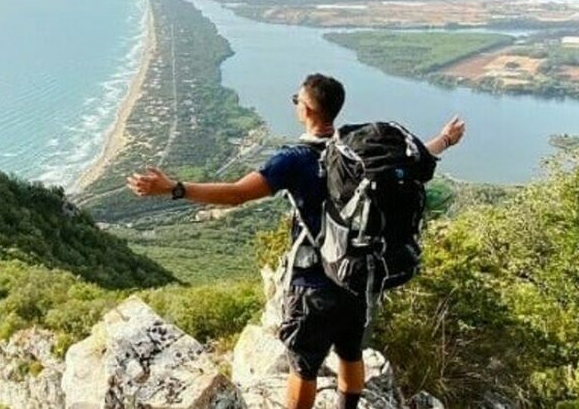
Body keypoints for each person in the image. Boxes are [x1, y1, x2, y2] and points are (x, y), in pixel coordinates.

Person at [127, 73, 466, 409]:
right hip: (358, 275)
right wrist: (445, 139)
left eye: (296, 100)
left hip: (312, 283)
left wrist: (175, 188)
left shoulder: (294, 160)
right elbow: (414, 157)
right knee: (350, 351)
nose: (295, 104)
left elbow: (236, 194)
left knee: (303, 367)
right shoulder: (361, 153)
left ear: (307, 110)